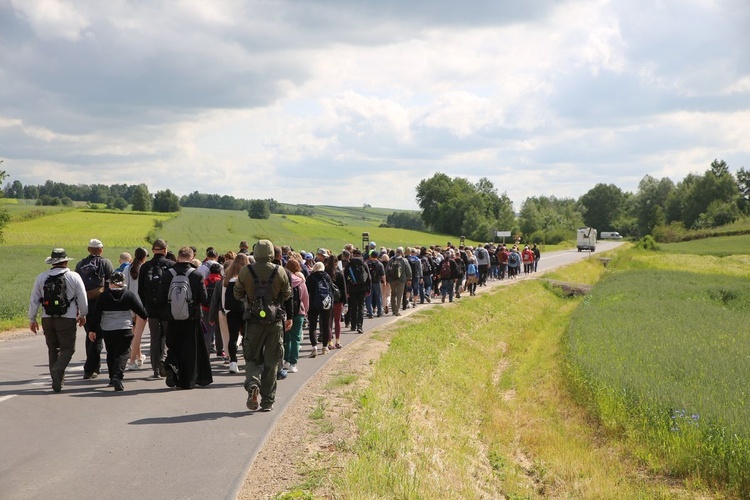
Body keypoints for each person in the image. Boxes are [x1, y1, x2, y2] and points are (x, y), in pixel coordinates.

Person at [234, 239, 293, 412]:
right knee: (272, 362)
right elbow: (287, 294)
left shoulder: (246, 270)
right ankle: (267, 401)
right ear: (271, 254)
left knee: (251, 358)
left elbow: (237, 293)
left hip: (253, 321)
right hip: (274, 322)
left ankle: (253, 383)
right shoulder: (280, 271)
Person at [28, 248, 88, 393]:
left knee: (52, 348)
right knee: (68, 348)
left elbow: (34, 299)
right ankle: (58, 370)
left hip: (47, 318)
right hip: (67, 318)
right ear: (66, 261)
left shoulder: (41, 277)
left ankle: (58, 380)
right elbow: (82, 297)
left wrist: (32, 318)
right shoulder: (74, 276)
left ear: (52, 262)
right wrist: (83, 314)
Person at [160, 246, 213, 390]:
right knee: (190, 350)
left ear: (178, 257)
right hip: (191, 318)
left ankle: (171, 366)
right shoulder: (195, 275)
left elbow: (161, 296)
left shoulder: (167, 274)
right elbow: (203, 298)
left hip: (172, 317)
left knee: (174, 346)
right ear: (191, 258)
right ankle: (188, 381)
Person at [87, 271, 148, 391]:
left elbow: (96, 314)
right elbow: (141, 312)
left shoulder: (103, 296)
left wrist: (92, 330)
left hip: (108, 330)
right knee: (123, 353)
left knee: (111, 352)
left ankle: (111, 378)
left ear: (110, 283)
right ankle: (118, 376)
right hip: (124, 329)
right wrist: (145, 317)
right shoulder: (129, 295)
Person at [75, 238, 115, 380]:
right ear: (101, 249)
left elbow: (76, 287)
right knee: (97, 337)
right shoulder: (106, 263)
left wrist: (78, 308)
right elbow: (112, 283)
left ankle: (94, 367)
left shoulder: (80, 264)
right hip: (101, 304)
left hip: (85, 304)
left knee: (90, 335)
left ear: (88, 249)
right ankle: (90, 368)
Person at [137, 239, 175, 380]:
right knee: (167, 335)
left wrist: (146, 305)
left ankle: (155, 368)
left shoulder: (145, 266)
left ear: (153, 250)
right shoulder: (171, 265)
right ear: (165, 250)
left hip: (151, 309)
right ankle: (164, 359)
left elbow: (140, 289)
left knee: (154, 337)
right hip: (167, 307)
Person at [283, 258, 309, 373]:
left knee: (286, 338)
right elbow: (305, 297)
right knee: (296, 338)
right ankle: (293, 363)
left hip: (286, 313)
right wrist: (306, 310)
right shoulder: (300, 281)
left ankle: (286, 360)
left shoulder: (284, 280)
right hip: (299, 312)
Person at [125, 247, 149, 370]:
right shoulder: (145, 269)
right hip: (141, 304)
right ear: (144, 257)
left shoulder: (127, 268)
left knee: (135, 332)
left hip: (129, 303)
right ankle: (132, 360)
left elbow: (125, 286)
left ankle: (139, 356)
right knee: (138, 333)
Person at [306, 262, 334, 356]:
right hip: (325, 303)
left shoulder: (310, 278)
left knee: (313, 326)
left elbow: (307, 292)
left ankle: (314, 347)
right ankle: (324, 347)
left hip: (313, 303)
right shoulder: (327, 276)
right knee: (326, 325)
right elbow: (331, 290)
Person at [344, 248, 371, 333]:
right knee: (361, 307)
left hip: (352, 288)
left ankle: (353, 325)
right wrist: (368, 289)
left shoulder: (349, 264)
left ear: (353, 255)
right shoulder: (364, 263)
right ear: (360, 255)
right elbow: (369, 278)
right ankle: (360, 326)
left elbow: (344, 278)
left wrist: (346, 290)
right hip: (362, 288)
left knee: (353, 307)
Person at [385, 247, 411, 316]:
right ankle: (397, 310)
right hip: (401, 280)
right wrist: (409, 279)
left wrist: (387, 279)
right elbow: (408, 270)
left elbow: (387, 270)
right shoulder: (404, 260)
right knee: (399, 295)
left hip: (392, 280)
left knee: (393, 294)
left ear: (396, 252)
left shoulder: (391, 260)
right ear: (402, 252)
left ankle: (393, 310)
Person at [365, 250, 385, 317]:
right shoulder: (380, 264)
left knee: (369, 298)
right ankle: (379, 312)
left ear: (371, 256)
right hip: (377, 282)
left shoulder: (367, 263)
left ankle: (370, 312)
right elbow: (382, 274)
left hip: (369, 283)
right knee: (378, 297)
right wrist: (384, 282)